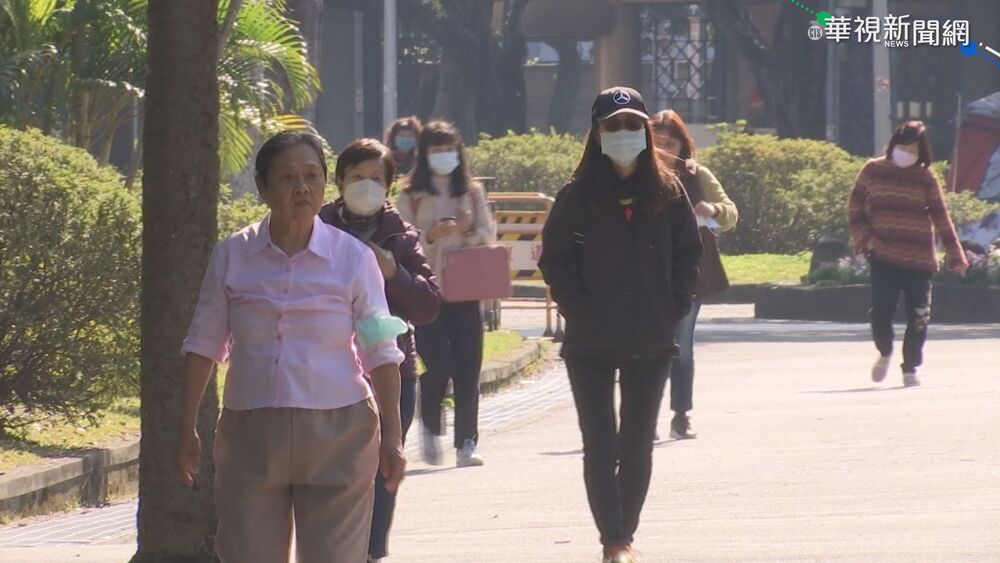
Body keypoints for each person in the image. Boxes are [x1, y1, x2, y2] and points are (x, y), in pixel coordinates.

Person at [175, 131, 407, 563]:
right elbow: (204, 343)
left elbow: (381, 350)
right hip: (252, 432)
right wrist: (186, 424)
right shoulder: (232, 255)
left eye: (311, 176)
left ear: (325, 185)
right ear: (262, 187)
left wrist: (392, 436)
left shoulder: (354, 258)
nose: (301, 187)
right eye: (287, 178)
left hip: (340, 432)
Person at [539, 87, 703, 563]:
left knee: (636, 447)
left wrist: (674, 305)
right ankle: (613, 540)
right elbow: (556, 258)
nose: (625, 133)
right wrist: (579, 308)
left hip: (651, 339)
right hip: (591, 341)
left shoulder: (668, 192)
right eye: (613, 126)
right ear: (597, 134)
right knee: (600, 445)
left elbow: (689, 255)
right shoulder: (578, 195)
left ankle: (622, 538)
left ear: (646, 131)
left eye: (633, 125)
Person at [319, 138, 442, 562]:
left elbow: (427, 305)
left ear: (389, 186)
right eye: (356, 177)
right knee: (331, 473)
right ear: (339, 181)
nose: (365, 185)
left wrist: (394, 272)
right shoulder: (317, 228)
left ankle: (372, 552)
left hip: (392, 372)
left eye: (376, 178)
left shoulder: (402, 238)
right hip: (328, 372)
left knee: (383, 468)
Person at [396, 120, 496, 468]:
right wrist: (432, 235)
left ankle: (467, 441)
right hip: (427, 294)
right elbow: (401, 243)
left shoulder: (471, 191)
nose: (443, 156)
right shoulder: (411, 194)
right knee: (439, 365)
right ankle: (431, 422)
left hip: (467, 291)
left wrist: (467, 230)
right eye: (436, 150)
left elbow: (489, 236)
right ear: (424, 155)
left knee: (469, 368)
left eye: (449, 149)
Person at [848, 120, 969, 387]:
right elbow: (855, 206)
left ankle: (910, 367)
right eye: (903, 147)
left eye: (913, 150)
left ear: (921, 152)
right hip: (883, 255)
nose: (907, 154)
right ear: (893, 145)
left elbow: (941, 216)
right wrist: (865, 239)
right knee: (880, 312)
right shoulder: (874, 170)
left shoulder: (926, 177)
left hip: (919, 259)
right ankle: (885, 351)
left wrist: (955, 253)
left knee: (919, 316)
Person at [650, 109, 738, 440]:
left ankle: (681, 414)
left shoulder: (696, 174)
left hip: (690, 273)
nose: (663, 151)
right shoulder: (636, 175)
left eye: (669, 143)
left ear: (682, 145)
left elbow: (729, 212)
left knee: (680, 346)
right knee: (651, 345)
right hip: (648, 273)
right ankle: (646, 417)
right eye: (656, 143)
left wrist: (712, 209)